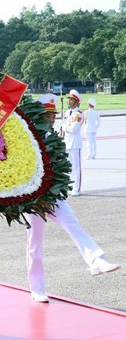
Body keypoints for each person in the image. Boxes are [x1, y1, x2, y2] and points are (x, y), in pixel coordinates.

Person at [24, 94, 120, 302]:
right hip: (32, 201)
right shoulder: (25, 139)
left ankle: (96, 260)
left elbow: (59, 169)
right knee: (34, 244)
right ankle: (37, 288)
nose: (50, 119)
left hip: (53, 196)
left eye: (52, 115)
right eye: (47, 115)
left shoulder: (53, 139)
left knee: (73, 224)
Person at [61, 89, 84, 196]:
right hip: (67, 142)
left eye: (71, 100)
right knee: (69, 166)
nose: (69, 101)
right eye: (69, 99)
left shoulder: (79, 114)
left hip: (75, 142)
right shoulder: (67, 113)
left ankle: (77, 189)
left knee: (76, 166)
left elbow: (74, 129)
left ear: (76, 101)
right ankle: (70, 186)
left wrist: (65, 127)